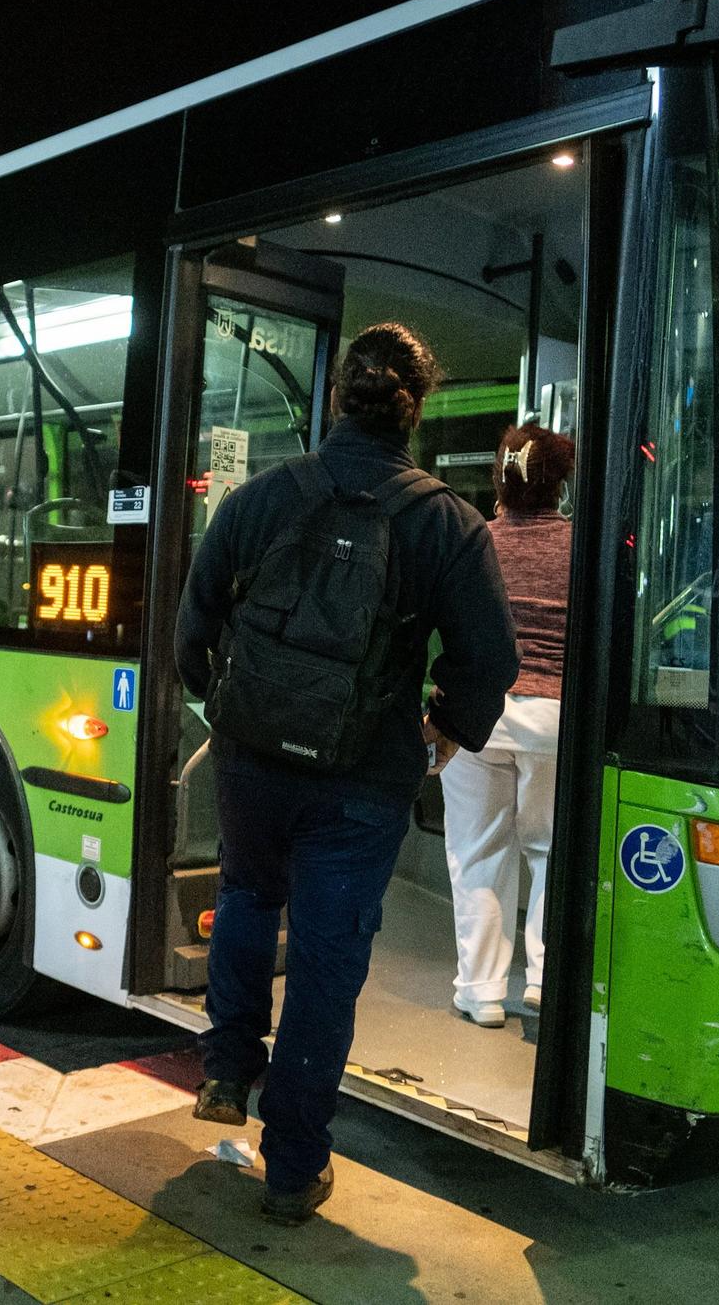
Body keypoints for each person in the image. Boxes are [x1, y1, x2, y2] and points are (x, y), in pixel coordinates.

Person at [177, 321, 519, 1225]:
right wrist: (444, 727)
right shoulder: (448, 523)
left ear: (339, 398)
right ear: (417, 405)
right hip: (362, 776)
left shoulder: (258, 498)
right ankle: (292, 1168)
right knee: (328, 966)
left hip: (252, 763)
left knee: (248, 896)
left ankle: (224, 1067)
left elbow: (192, 625)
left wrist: (228, 705)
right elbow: (491, 657)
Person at [443, 422, 575, 1028]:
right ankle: (545, 981)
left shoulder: (477, 541)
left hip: (481, 715)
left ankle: (481, 991)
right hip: (554, 719)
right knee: (551, 851)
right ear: (562, 486)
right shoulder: (581, 547)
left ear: (499, 481)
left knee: (479, 852)